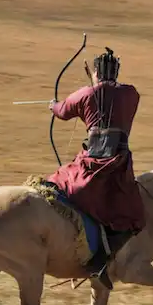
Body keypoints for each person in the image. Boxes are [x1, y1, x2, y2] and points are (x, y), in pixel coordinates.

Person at [47, 47, 145, 290]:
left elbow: (62, 111)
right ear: (116, 71)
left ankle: (87, 256)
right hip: (119, 164)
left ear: (95, 73)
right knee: (132, 214)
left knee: (61, 186)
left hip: (91, 162)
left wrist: (53, 105)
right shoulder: (131, 94)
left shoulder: (85, 94)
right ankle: (102, 260)